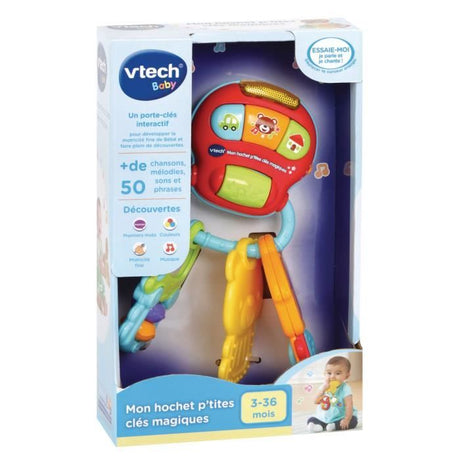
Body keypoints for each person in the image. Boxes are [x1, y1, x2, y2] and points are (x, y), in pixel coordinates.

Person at [307, 356, 358, 432]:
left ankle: (334, 426)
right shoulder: (324, 386)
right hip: (324, 417)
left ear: (347, 376)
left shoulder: (345, 388)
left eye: (338, 373)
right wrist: (323, 389)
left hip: (340, 417)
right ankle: (318, 426)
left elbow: (349, 405)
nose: (332, 376)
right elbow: (315, 401)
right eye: (329, 373)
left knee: (353, 421)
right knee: (311, 419)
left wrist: (347, 419)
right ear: (324, 373)